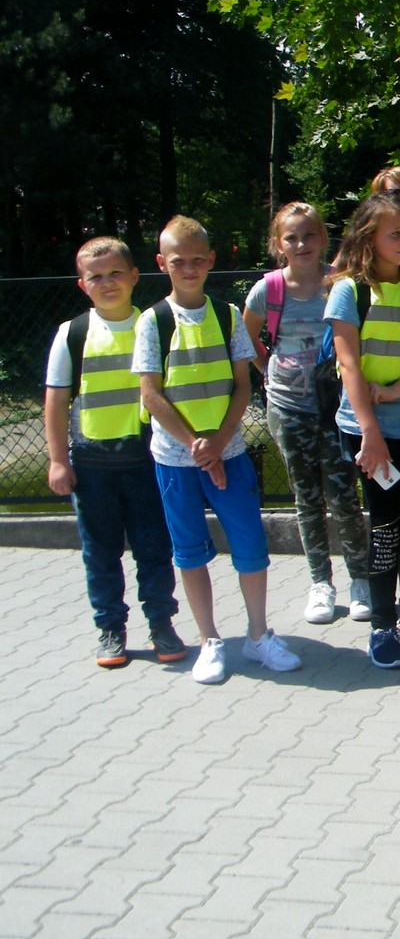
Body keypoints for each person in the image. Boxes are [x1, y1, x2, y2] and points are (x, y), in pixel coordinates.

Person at [136, 216, 298, 684]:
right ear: (162, 263)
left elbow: (242, 386)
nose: (188, 269)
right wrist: (195, 447)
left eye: (197, 260)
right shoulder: (153, 321)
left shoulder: (227, 316)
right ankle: (210, 639)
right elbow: (152, 394)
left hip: (230, 453)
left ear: (210, 260)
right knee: (189, 551)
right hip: (176, 460)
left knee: (250, 546)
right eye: (178, 261)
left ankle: (258, 635)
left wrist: (220, 442)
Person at [45, 237, 182, 668]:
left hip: (147, 460)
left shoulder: (155, 325)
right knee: (101, 554)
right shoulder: (73, 334)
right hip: (92, 466)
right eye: (96, 276)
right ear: (82, 284)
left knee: (154, 549)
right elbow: (55, 400)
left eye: (115, 273)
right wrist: (58, 461)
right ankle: (110, 629)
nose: (107, 283)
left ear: (135, 276)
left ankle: (161, 624)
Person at [326, 193, 400, 669]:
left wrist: (396, 391)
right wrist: (370, 431)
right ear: (368, 237)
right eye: (394, 233)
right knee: (385, 524)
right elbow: (349, 365)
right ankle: (381, 625)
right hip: (368, 431)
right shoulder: (349, 291)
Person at [244, 203, 371, 625]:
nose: (301, 244)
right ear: (278, 244)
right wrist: (267, 368)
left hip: (336, 407)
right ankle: (321, 583)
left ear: (323, 238)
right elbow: (245, 337)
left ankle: (361, 579)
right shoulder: (267, 290)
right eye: (291, 237)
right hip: (288, 407)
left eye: (309, 235)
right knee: (307, 498)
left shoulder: (340, 285)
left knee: (344, 495)